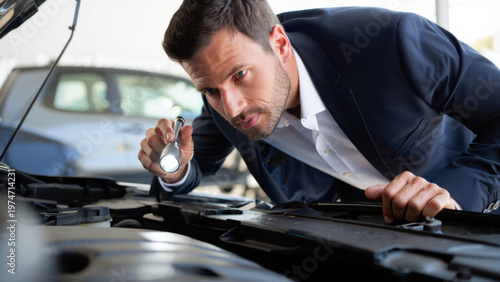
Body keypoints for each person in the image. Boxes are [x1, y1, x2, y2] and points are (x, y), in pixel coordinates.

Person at [138, 0, 500, 222]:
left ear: (279, 43)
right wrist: (174, 171)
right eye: (210, 90)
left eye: (241, 75)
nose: (231, 107)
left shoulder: (391, 42)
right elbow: (193, 167)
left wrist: (450, 193)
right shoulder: (224, 97)